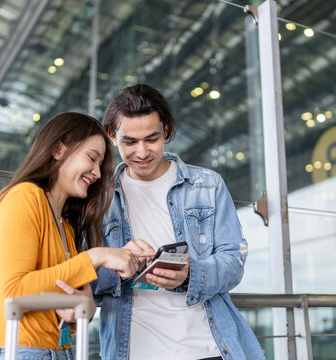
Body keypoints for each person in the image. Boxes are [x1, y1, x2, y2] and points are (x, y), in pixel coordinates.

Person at [93, 84, 266, 360]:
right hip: (133, 350)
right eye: (130, 142)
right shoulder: (99, 199)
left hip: (207, 348)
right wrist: (118, 263)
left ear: (166, 131)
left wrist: (190, 274)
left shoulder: (208, 185)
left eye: (152, 139)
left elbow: (234, 261)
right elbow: (84, 279)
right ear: (112, 136)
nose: (142, 152)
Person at [0, 112, 151, 360]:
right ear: (58, 149)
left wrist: (84, 309)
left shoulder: (65, 226)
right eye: (91, 158)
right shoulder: (24, 197)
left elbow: (62, 303)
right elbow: (13, 291)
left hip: (59, 351)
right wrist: (96, 256)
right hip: (21, 350)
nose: (97, 173)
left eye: (100, 165)